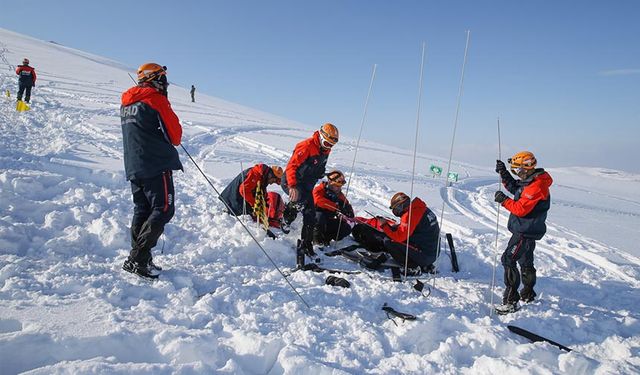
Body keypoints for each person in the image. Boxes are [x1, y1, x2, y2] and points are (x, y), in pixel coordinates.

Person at [120, 63, 183, 278]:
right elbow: (175, 136)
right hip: (156, 164)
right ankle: (137, 258)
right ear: (153, 78)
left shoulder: (128, 102)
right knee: (164, 209)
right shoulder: (156, 100)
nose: (165, 82)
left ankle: (141, 259)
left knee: (142, 210)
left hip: (134, 164)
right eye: (163, 77)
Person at [494, 151, 553, 313]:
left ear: (526, 168)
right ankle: (528, 293)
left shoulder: (536, 186)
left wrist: (503, 200)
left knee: (508, 259)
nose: (517, 174)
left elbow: (520, 209)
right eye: (515, 171)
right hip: (527, 229)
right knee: (525, 261)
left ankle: (511, 301)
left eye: (517, 170)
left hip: (525, 230)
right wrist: (504, 173)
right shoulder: (531, 180)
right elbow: (516, 189)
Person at [281, 123, 338, 259]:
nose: (329, 147)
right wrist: (292, 186)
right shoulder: (306, 146)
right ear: (321, 136)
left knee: (310, 215)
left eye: (331, 145)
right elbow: (291, 167)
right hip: (293, 181)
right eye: (327, 143)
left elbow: (318, 166)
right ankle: (286, 219)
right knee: (299, 200)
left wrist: (322, 173)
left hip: (307, 186)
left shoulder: (325, 150)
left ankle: (306, 244)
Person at [351, 192, 439, 275]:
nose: (397, 212)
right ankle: (422, 263)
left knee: (389, 241)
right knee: (391, 236)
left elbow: (399, 237)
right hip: (431, 252)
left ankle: (412, 266)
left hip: (424, 255)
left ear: (401, 206)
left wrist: (385, 225)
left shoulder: (409, 214)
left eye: (396, 209)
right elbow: (413, 229)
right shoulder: (420, 208)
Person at [219, 163, 283, 220]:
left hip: (241, 197)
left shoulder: (263, 176)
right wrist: (254, 204)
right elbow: (243, 191)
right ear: (271, 175)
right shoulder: (255, 174)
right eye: (274, 181)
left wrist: (265, 203)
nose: (271, 183)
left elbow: (261, 189)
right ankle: (227, 214)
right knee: (244, 214)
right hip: (234, 197)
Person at [312, 170, 354, 246]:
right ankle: (316, 241)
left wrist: (348, 211)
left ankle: (326, 238)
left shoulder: (339, 195)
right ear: (330, 183)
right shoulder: (319, 190)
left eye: (340, 186)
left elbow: (348, 207)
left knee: (346, 228)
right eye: (337, 186)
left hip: (327, 222)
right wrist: (337, 207)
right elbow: (318, 201)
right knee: (319, 217)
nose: (339, 188)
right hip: (314, 221)